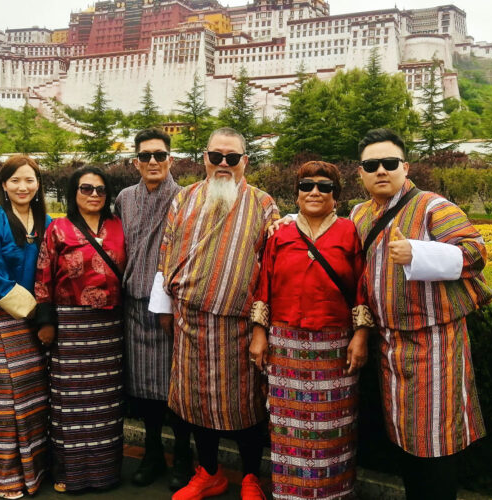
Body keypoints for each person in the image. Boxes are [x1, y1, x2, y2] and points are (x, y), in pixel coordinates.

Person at [350, 129, 492, 500]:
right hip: (389, 344)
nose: (381, 170)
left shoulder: (433, 206)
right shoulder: (359, 214)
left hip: (436, 343)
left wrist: (418, 253)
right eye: (371, 165)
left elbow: (475, 253)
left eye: (390, 163)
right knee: (404, 436)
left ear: (405, 166)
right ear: (360, 173)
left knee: (436, 441)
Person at [150, 127, 280, 500]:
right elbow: (167, 252)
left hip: (239, 326)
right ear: (205, 158)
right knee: (195, 406)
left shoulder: (263, 203)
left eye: (232, 158)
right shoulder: (185, 199)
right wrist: (165, 308)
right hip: (190, 322)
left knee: (246, 407)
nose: (224, 164)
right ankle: (209, 472)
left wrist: (260, 326)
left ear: (245, 162)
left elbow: (271, 267)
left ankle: (251, 477)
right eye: (216, 156)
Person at [249, 161, 369, 500]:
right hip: (286, 343)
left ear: (336, 195)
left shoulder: (349, 232)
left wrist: (360, 336)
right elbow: (264, 285)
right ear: (297, 193)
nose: (314, 191)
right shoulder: (280, 233)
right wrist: (260, 333)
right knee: (288, 427)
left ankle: (334, 493)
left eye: (324, 186)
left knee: (334, 428)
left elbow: (362, 286)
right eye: (306, 185)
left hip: (335, 346)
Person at [34, 166, 126, 493]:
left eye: (100, 190)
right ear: (75, 192)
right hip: (71, 326)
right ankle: (69, 474)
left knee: (106, 404)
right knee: (69, 403)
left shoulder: (117, 225)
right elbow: (43, 274)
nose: (94, 195)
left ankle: (105, 474)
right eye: (86, 189)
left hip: (109, 328)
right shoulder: (58, 228)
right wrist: (46, 322)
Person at [114, 128, 193, 490]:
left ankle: (183, 457)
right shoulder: (124, 199)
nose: (152, 162)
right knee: (143, 390)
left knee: (175, 389)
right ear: (135, 162)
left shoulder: (187, 198)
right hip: (133, 306)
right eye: (145, 156)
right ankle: (151, 453)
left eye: (159, 155)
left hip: (170, 309)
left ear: (170, 160)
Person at [0, 155, 51, 499]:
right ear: (3, 185)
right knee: (5, 401)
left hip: (35, 321)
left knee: (35, 397)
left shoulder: (45, 220)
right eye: (15, 180)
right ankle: (6, 476)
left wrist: (45, 313)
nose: (23, 187)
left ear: (38, 185)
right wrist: (34, 312)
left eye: (29, 180)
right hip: (3, 320)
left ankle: (36, 472)